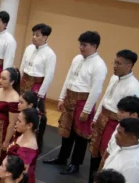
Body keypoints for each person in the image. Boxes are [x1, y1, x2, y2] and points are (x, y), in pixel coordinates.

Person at [44, 32, 107, 175]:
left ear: (94, 46)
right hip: (70, 98)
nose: (81, 48)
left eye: (84, 45)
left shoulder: (99, 65)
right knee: (66, 131)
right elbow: (68, 78)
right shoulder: (77, 58)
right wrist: (61, 97)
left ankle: (75, 163)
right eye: (80, 44)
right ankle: (62, 157)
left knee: (80, 136)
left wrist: (86, 110)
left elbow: (96, 91)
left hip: (83, 102)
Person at [79, 50, 139, 183]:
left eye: (119, 63)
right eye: (115, 62)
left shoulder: (133, 86)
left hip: (115, 123)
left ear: (129, 65)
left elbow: (130, 116)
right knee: (94, 151)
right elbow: (105, 98)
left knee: (106, 155)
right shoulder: (114, 78)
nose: (115, 66)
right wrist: (96, 117)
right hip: (104, 117)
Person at [100, 96, 139, 169]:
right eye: (118, 110)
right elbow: (110, 146)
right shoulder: (121, 124)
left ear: (134, 115)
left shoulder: (137, 134)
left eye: (122, 112)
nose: (118, 113)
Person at [19, 23, 56, 99]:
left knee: (31, 109)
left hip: (36, 85)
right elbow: (22, 66)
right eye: (33, 34)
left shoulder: (50, 54)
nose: (34, 37)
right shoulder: (29, 48)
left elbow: (49, 76)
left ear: (45, 37)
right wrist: (18, 81)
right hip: (24, 81)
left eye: (37, 35)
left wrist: (41, 93)